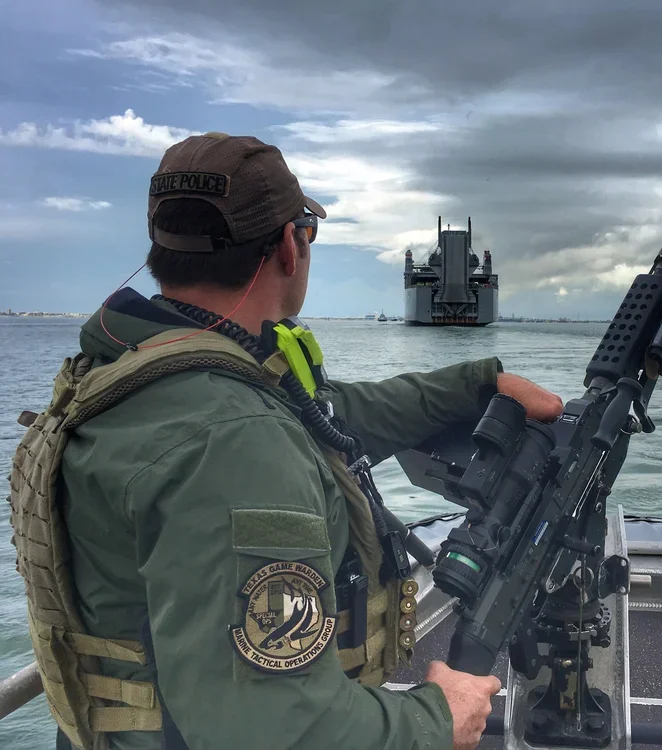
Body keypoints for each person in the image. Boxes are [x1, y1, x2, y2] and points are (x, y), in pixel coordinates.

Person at [8, 133, 564, 750]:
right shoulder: (233, 443)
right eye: (308, 231)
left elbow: (329, 415)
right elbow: (275, 732)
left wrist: (477, 383)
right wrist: (442, 717)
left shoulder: (141, 369)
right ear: (288, 247)